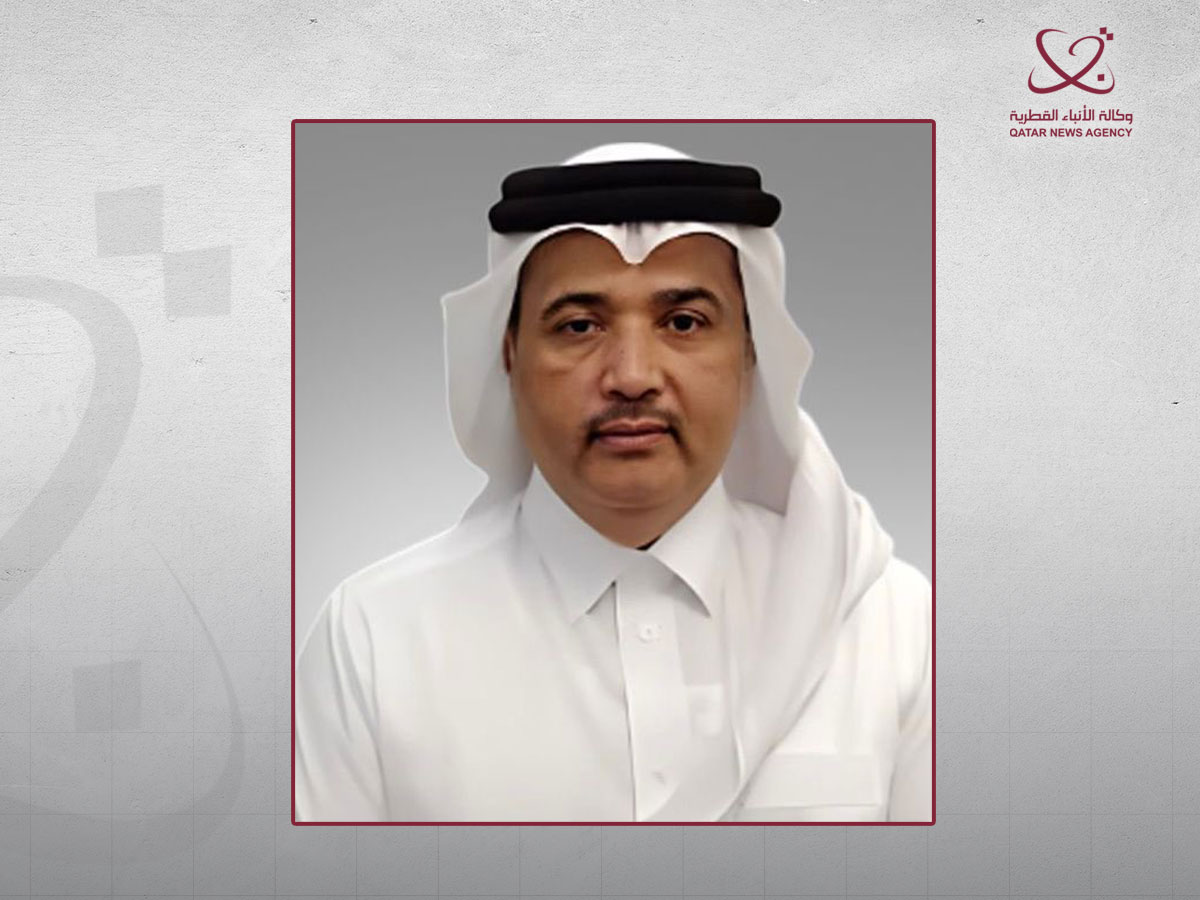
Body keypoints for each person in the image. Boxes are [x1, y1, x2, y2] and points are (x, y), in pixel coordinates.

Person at [296, 142, 932, 823]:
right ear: (508, 353)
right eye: (579, 326)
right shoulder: (376, 636)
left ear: (751, 352)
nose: (632, 376)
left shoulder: (888, 623)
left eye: (683, 323)